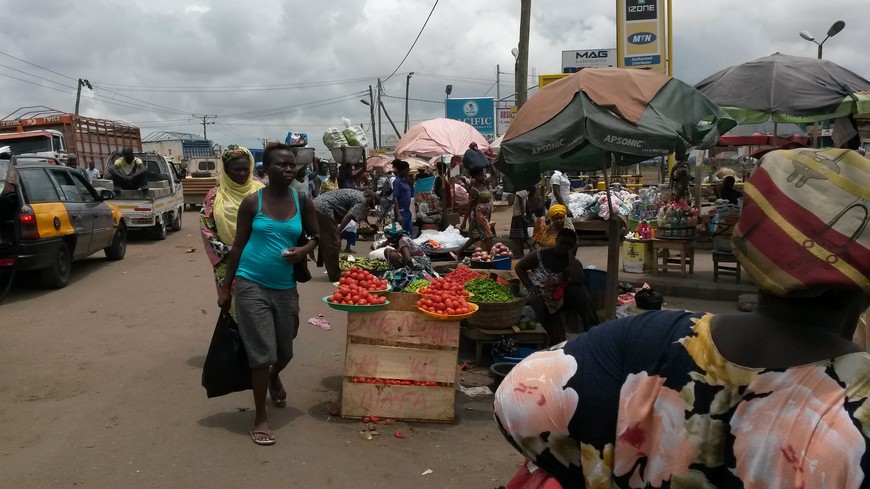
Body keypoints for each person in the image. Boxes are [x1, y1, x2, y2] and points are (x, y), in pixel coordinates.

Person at [494, 147, 870, 487]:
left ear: (748, 247)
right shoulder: (856, 406)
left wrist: (596, 469)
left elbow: (517, 399)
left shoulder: (647, 340)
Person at [218, 143, 319, 447]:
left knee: (285, 351)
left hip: (285, 287)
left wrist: (303, 250)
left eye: (291, 165)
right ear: (266, 169)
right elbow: (238, 246)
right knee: (261, 354)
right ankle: (260, 417)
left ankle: (275, 376)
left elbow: (316, 236)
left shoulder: (302, 200)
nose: (288, 169)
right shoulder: (253, 202)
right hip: (251, 283)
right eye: (281, 165)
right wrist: (226, 287)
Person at [200, 145, 265, 317]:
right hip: (227, 260)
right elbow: (206, 227)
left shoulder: (262, 191)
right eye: (236, 170)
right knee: (234, 307)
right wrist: (228, 250)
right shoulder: (214, 196)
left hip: (261, 258)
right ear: (226, 171)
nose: (242, 174)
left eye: (245, 169)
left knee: (260, 306)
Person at [514, 229, 598, 345]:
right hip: (539, 294)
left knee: (580, 291)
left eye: (569, 245)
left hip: (559, 299)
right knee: (534, 299)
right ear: (556, 241)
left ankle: (594, 331)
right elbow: (519, 267)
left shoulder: (572, 262)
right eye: (562, 243)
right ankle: (544, 338)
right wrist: (530, 287)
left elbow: (578, 280)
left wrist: (571, 256)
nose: (564, 247)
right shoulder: (540, 255)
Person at [313, 187, 377, 282]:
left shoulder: (356, 194)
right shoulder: (362, 200)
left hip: (317, 204)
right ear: (368, 197)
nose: (368, 205)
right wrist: (338, 232)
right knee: (333, 242)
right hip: (323, 208)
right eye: (370, 203)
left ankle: (324, 265)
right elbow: (349, 216)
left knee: (326, 239)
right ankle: (334, 275)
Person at [454, 165, 496, 258]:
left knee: (477, 237)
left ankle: (459, 251)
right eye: (480, 175)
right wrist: (464, 221)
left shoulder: (485, 184)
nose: (483, 177)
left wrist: (490, 164)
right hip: (479, 215)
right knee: (488, 235)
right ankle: (488, 256)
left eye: (483, 175)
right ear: (475, 177)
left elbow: (494, 175)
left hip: (486, 213)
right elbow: (469, 206)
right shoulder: (473, 190)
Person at [509, 186, 537, 257]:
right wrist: (528, 216)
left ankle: (520, 253)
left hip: (517, 215)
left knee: (518, 236)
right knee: (523, 235)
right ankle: (527, 250)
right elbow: (527, 205)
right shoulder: (524, 192)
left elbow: (521, 203)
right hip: (522, 216)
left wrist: (523, 213)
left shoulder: (519, 192)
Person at [391, 159, 414, 235]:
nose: (408, 172)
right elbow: (395, 198)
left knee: (408, 233)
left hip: (407, 211)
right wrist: (399, 215)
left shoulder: (405, 181)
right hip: (401, 211)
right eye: (406, 171)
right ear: (401, 170)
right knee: (400, 234)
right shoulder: (397, 182)